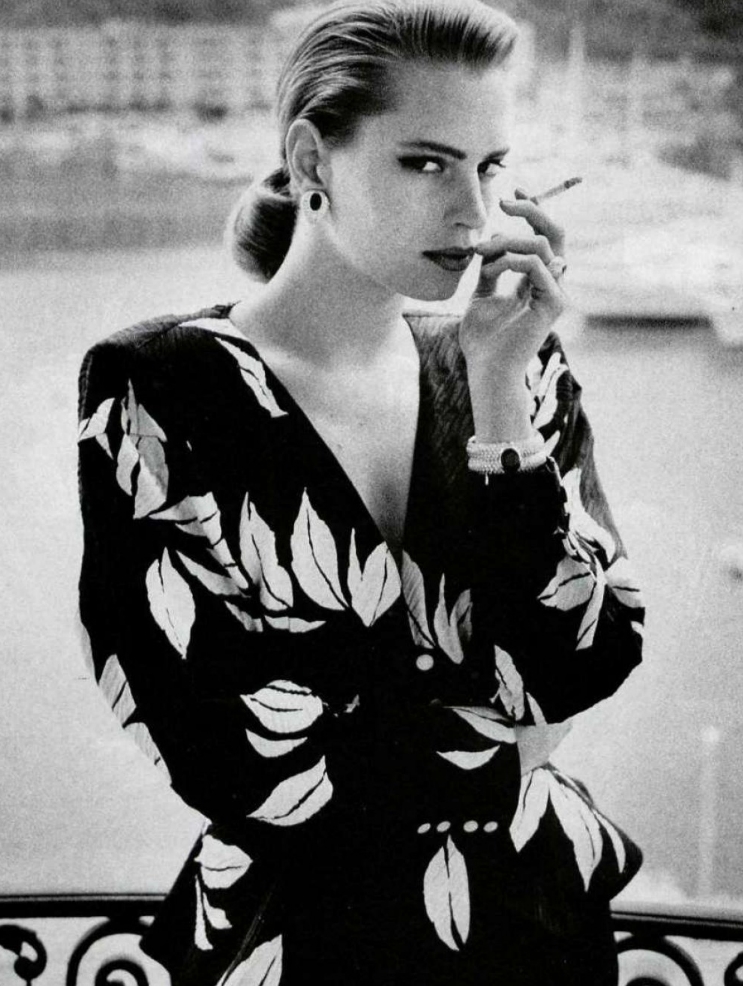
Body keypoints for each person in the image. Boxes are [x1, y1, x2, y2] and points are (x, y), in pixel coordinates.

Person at [77, 0, 645, 983]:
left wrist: (497, 396)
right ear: (311, 160)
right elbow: (220, 744)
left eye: (489, 167)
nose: (473, 213)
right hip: (305, 934)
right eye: (425, 163)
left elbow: (587, 655)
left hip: (538, 924)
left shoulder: (516, 363)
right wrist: (506, 745)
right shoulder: (164, 385)